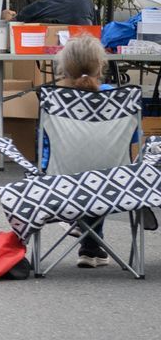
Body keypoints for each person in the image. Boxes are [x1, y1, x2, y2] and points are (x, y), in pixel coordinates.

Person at [51, 35, 117, 267]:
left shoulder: (54, 99)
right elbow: (133, 139)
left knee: (84, 171)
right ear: (100, 66)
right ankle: (90, 246)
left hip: (62, 177)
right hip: (114, 179)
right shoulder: (117, 97)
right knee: (98, 170)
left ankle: (83, 232)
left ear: (63, 67)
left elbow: (46, 143)